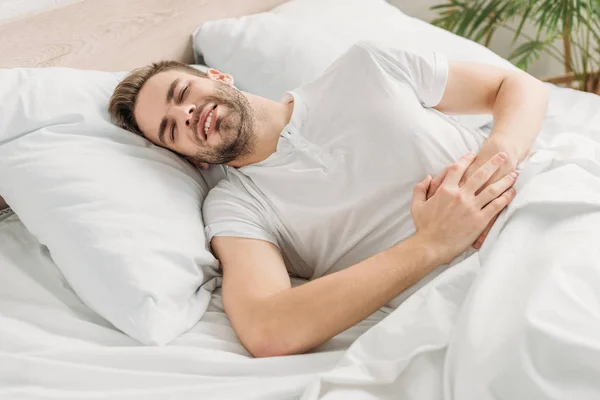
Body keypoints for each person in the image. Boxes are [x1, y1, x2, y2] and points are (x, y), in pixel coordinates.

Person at [108, 42, 548, 357]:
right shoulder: (236, 208)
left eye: (181, 94)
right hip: (479, 299)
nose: (184, 115)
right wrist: (432, 243)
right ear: (192, 161)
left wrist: (495, 162)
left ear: (218, 76)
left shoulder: (365, 66)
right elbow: (267, 328)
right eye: (171, 130)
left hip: (544, 212)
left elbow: (516, 85)